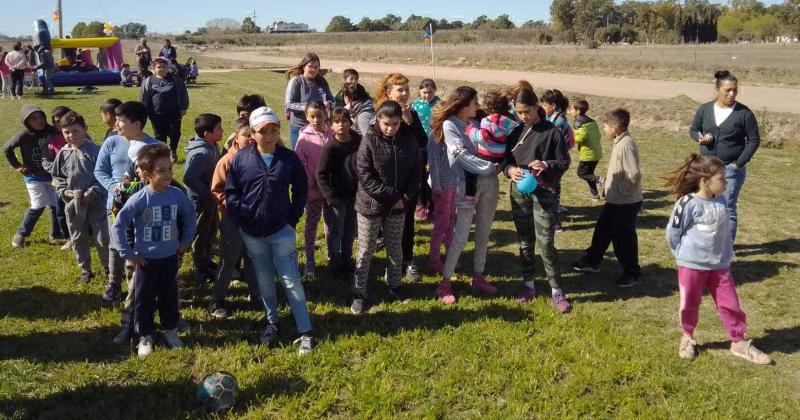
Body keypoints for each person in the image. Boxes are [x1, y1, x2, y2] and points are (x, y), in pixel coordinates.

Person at [665, 154, 771, 365]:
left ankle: (738, 342)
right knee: (689, 303)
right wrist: (683, 255)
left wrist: (725, 256)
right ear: (704, 181)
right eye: (721, 179)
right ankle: (687, 337)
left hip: (720, 266)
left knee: (731, 304)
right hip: (691, 266)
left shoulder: (721, 200)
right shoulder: (687, 203)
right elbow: (673, 233)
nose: (726, 182)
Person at [225, 106, 315, 355]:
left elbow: (300, 189)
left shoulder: (288, 158)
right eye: (263, 131)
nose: (269, 135)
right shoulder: (241, 159)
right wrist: (241, 217)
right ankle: (272, 321)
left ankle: (305, 330)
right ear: (252, 133)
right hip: (252, 232)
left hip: (281, 230)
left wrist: (291, 220)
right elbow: (231, 192)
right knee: (264, 279)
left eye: (274, 130)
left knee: (290, 280)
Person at [112, 142, 196, 357]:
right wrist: (128, 253)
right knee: (144, 300)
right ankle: (145, 335)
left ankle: (170, 330)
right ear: (147, 174)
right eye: (161, 170)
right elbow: (119, 225)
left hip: (170, 258)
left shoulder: (177, 195)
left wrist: (186, 240)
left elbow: (190, 216)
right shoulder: (139, 199)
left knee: (170, 296)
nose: (168, 173)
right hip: (146, 261)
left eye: (169, 168)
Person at [502, 87, 572, 313]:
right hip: (519, 192)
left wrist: (546, 165)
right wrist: (510, 170)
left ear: (536, 107)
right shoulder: (515, 130)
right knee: (525, 241)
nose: (523, 116)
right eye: (519, 112)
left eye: (527, 111)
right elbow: (505, 159)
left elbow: (564, 162)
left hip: (543, 193)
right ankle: (528, 285)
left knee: (546, 243)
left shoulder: (552, 132)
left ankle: (556, 290)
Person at [429, 87, 500, 304]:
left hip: (487, 183)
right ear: (463, 104)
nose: (477, 106)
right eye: (474, 102)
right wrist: (489, 167)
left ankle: (478, 276)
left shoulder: (471, 123)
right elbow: (459, 155)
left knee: (483, 232)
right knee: (460, 236)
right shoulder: (450, 125)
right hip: (467, 186)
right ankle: (445, 283)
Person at [351, 100, 421, 314]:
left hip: (398, 206)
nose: (391, 128)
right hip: (370, 206)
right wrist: (392, 196)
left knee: (395, 248)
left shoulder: (408, 140)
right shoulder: (369, 141)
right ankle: (359, 292)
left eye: (396, 124)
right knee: (366, 250)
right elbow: (365, 175)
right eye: (386, 124)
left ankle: (395, 285)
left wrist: (405, 198)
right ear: (378, 121)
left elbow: (416, 170)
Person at [94, 101, 158, 306]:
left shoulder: (153, 147)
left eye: (121, 121)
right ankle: (114, 283)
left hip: (143, 206)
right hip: (116, 204)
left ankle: (143, 283)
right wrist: (115, 189)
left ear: (137, 124)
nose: (116, 124)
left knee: (140, 243)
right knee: (115, 244)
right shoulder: (112, 142)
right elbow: (99, 171)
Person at [573, 108, 642, 288]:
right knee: (602, 230)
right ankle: (592, 261)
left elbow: (633, 174)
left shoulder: (626, 144)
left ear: (615, 127)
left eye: (605, 126)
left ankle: (631, 273)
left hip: (625, 202)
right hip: (615, 201)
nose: (604, 129)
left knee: (623, 239)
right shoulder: (619, 142)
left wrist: (620, 190)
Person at [688, 70, 760, 243]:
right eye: (727, 90)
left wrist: (738, 163)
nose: (732, 93)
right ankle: (706, 241)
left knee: (726, 208)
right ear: (717, 90)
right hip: (705, 168)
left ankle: (726, 248)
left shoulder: (744, 113)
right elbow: (693, 129)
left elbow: (754, 139)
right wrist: (700, 138)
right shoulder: (705, 109)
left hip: (730, 169)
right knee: (704, 204)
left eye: (735, 90)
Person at [375, 73, 428, 282]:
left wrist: (410, 122)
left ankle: (407, 261)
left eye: (407, 89)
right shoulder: (380, 114)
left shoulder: (411, 113)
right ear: (389, 92)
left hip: (409, 178)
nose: (405, 93)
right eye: (400, 90)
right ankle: (389, 263)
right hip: (386, 178)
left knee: (407, 223)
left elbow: (423, 142)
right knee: (386, 222)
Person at [51, 111, 110, 284]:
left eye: (75, 131)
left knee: (102, 238)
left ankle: (109, 267)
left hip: (97, 203)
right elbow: (57, 178)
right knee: (78, 237)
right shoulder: (63, 153)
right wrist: (64, 191)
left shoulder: (96, 151)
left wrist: (92, 192)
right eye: (66, 132)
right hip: (73, 204)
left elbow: (105, 176)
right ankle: (85, 269)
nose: (71, 135)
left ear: (85, 129)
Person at [209, 117, 259, 319]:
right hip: (232, 220)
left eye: (253, 135)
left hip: (253, 219)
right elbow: (217, 190)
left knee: (253, 258)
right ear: (236, 138)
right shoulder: (227, 161)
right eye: (247, 136)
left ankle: (257, 295)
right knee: (229, 260)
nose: (251, 139)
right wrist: (234, 208)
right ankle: (217, 300)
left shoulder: (258, 158)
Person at [4, 105, 60, 248]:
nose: (38, 121)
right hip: (33, 176)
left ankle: (55, 233)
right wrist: (17, 165)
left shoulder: (52, 132)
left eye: (40, 117)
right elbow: (7, 148)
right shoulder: (24, 135)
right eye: (33, 119)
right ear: (26, 122)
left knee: (55, 204)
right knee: (38, 204)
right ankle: (21, 234)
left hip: (52, 175)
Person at [316, 107, 361, 281]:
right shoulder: (330, 147)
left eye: (344, 121)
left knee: (350, 229)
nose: (341, 125)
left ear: (350, 123)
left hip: (354, 195)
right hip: (337, 198)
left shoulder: (358, 141)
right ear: (331, 125)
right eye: (337, 121)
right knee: (337, 231)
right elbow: (321, 174)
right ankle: (335, 261)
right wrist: (330, 197)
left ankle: (347, 258)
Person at [295, 101, 334, 281]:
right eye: (312, 116)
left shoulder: (332, 134)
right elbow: (299, 164)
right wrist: (311, 181)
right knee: (311, 227)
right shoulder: (304, 138)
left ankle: (332, 256)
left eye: (319, 115)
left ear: (326, 114)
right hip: (312, 192)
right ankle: (309, 262)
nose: (316, 119)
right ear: (306, 116)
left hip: (331, 191)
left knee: (330, 225)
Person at [184, 114, 222, 283]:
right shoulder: (201, 153)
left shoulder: (212, 146)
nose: (221, 131)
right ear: (207, 134)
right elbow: (189, 178)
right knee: (200, 236)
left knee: (211, 231)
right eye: (218, 129)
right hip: (201, 203)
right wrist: (208, 192)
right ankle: (201, 269)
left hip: (211, 201)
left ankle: (206, 261)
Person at [464, 89, 518, 203]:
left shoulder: (485, 120)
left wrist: (469, 129)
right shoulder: (507, 121)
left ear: (488, 107)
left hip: (485, 155)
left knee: (470, 171)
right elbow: (513, 130)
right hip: (500, 155)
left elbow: (480, 137)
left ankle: (469, 195)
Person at [426, 110, 459, 274]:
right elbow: (433, 164)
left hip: (453, 184)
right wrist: (437, 186)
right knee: (441, 223)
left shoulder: (452, 135)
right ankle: (434, 259)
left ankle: (451, 255)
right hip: (442, 187)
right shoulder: (434, 137)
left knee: (451, 221)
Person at [139, 57, 189, 163]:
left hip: (174, 113)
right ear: (154, 69)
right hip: (156, 114)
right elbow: (143, 97)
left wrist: (183, 107)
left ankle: (173, 151)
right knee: (160, 135)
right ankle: (164, 153)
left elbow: (183, 93)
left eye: (164, 67)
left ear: (168, 68)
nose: (161, 69)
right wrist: (143, 111)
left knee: (175, 133)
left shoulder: (175, 79)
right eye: (159, 67)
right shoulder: (148, 81)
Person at [284, 52, 335, 149]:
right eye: (310, 66)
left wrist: (328, 104)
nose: (314, 69)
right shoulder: (296, 81)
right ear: (303, 67)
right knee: (298, 159)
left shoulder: (322, 81)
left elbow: (332, 100)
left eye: (316, 67)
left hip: (320, 127)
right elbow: (289, 104)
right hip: (300, 127)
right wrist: (309, 108)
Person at [541, 89, 574, 232]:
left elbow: (553, 144)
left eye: (544, 105)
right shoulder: (554, 118)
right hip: (556, 159)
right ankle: (556, 211)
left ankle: (555, 223)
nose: (542, 108)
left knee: (550, 191)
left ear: (553, 106)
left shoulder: (558, 122)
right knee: (554, 187)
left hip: (557, 160)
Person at [42, 106, 73, 247]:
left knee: (80, 210)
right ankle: (68, 237)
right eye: (55, 122)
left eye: (61, 121)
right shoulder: (51, 140)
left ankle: (86, 234)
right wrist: (58, 170)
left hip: (79, 181)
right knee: (60, 211)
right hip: (58, 182)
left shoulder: (80, 135)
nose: (58, 124)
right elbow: (45, 162)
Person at [410, 79, 441, 222]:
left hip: (436, 144)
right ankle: (421, 205)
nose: (427, 95)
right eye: (424, 92)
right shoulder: (415, 105)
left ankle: (434, 206)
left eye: (430, 92)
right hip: (419, 146)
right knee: (421, 177)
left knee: (434, 176)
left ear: (435, 91)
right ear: (419, 92)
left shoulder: (439, 104)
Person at [569, 98, 604, 200]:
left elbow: (581, 138)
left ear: (578, 111)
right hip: (597, 152)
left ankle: (602, 180)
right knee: (590, 174)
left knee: (582, 173)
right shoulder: (592, 121)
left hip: (588, 154)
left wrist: (571, 137)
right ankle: (595, 195)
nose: (570, 111)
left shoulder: (578, 123)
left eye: (572, 109)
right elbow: (599, 135)